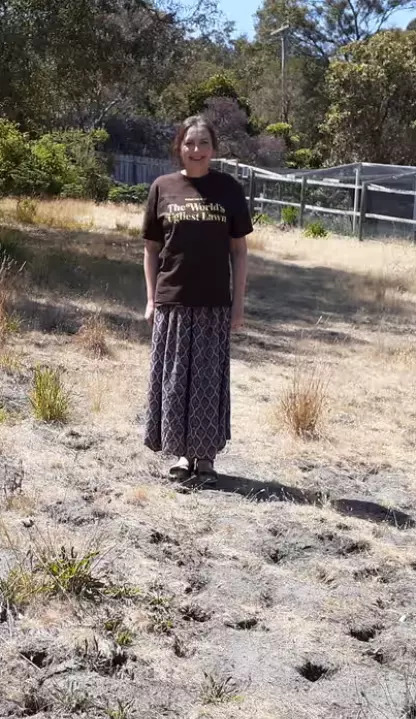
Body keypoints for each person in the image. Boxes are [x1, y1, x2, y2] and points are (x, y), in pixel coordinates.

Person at [141, 115, 252, 479]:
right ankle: (181, 457)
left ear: (214, 149)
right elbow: (151, 249)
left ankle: (205, 458)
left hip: (213, 303)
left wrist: (238, 304)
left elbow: (239, 251)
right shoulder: (162, 187)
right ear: (179, 147)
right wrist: (151, 298)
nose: (196, 150)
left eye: (204, 143)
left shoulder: (229, 190)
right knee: (175, 380)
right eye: (189, 143)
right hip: (172, 300)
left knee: (206, 381)